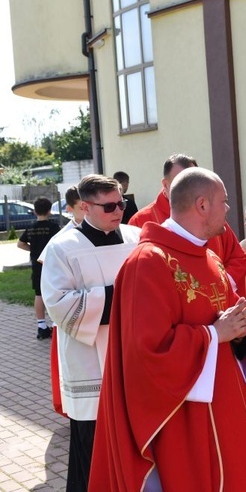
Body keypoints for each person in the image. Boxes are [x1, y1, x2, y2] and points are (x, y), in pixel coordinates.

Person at [89, 167, 246, 491]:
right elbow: (146, 353)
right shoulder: (148, 263)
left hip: (227, 406)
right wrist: (216, 334)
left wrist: (243, 328)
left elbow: (228, 329)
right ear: (202, 205)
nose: (228, 210)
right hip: (182, 420)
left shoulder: (212, 260)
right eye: (224, 202)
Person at [40, 175, 141, 491]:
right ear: (84, 207)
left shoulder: (137, 238)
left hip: (133, 356)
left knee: (137, 436)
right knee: (92, 445)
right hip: (88, 362)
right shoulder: (62, 247)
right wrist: (120, 297)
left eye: (121, 202)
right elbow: (57, 303)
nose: (118, 210)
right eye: (109, 205)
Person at [129, 153, 246, 291]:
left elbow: (238, 258)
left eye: (193, 181)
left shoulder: (214, 220)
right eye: (180, 181)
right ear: (165, 184)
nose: (188, 188)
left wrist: (220, 285)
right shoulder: (141, 221)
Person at [38, 185, 86, 417]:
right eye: (81, 207)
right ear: (69, 209)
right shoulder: (61, 240)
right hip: (73, 314)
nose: (87, 211)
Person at [17, 196, 60, 339]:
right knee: (56, 292)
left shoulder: (30, 228)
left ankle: (41, 326)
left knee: (39, 294)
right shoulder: (54, 227)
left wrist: (34, 250)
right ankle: (56, 324)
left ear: (35, 212)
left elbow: (20, 244)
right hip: (52, 264)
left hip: (37, 264)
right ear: (49, 211)